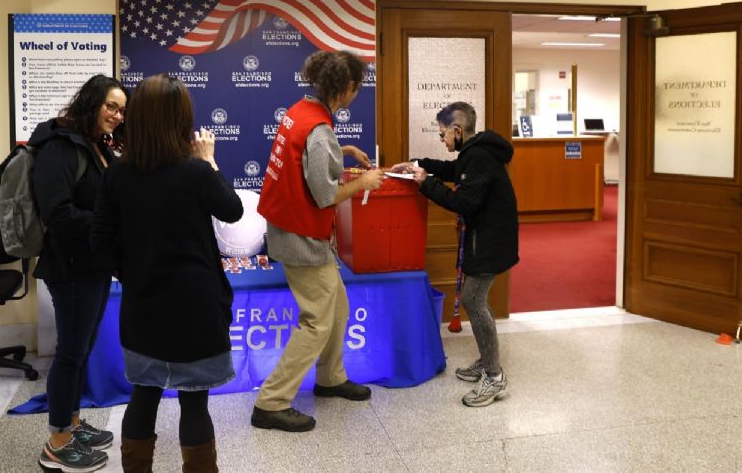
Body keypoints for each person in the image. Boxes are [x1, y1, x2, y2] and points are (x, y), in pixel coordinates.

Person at [90, 74, 243, 472]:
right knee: (195, 403)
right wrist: (209, 160)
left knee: (144, 394)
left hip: (143, 304)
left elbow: (101, 243)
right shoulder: (194, 172)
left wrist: (133, 272)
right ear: (180, 121)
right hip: (197, 306)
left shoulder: (117, 175)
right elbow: (233, 209)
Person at [252, 50, 384, 432]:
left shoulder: (300, 111)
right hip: (302, 237)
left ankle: (330, 377)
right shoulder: (320, 130)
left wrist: (339, 153)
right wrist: (363, 183)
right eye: (357, 87)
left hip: (292, 229)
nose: (357, 92)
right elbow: (325, 195)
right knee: (317, 321)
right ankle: (271, 402)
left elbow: (303, 161)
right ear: (345, 89)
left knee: (337, 307)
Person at [392, 101, 519, 407]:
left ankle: (494, 375)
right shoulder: (473, 153)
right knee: (478, 302)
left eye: (443, 134)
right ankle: (487, 361)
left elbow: (463, 203)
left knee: (475, 302)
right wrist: (417, 162)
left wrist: (425, 183)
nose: (442, 139)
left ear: (458, 130)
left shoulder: (479, 157)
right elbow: (454, 170)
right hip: (487, 238)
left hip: (489, 241)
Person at [33, 74, 127, 472]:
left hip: (94, 266)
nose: (117, 115)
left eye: (121, 110)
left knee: (81, 348)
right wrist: (106, 226)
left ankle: (71, 423)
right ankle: (56, 443)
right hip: (70, 269)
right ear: (91, 103)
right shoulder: (58, 146)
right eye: (111, 106)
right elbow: (57, 213)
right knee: (70, 353)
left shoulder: (95, 145)